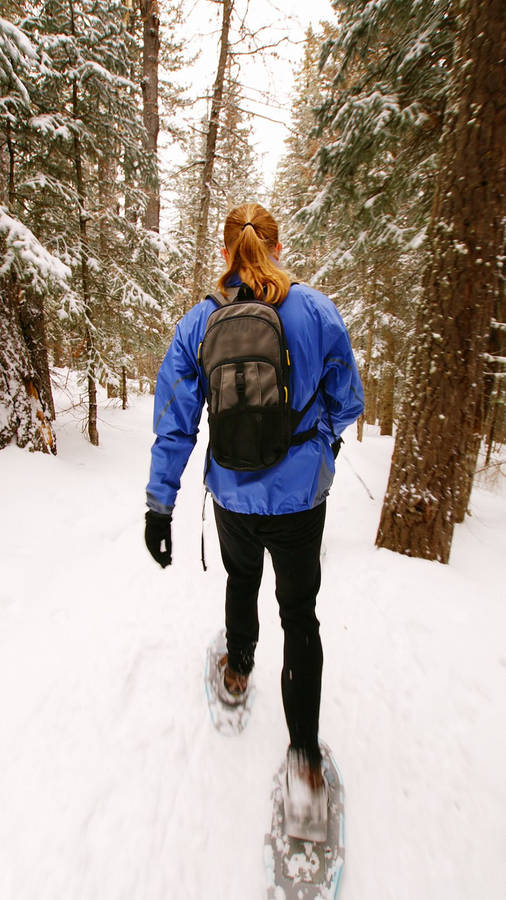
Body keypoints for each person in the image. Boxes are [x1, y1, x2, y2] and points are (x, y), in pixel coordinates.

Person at [145, 202, 363, 839]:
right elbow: (348, 401)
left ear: (225, 253)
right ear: (275, 243)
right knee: (299, 614)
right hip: (301, 502)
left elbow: (175, 422)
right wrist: (318, 442)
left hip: (233, 497)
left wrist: (161, 505)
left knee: (241, 584)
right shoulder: (316, 311)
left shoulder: (200, 322)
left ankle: (237, 674)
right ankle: (303, 768)